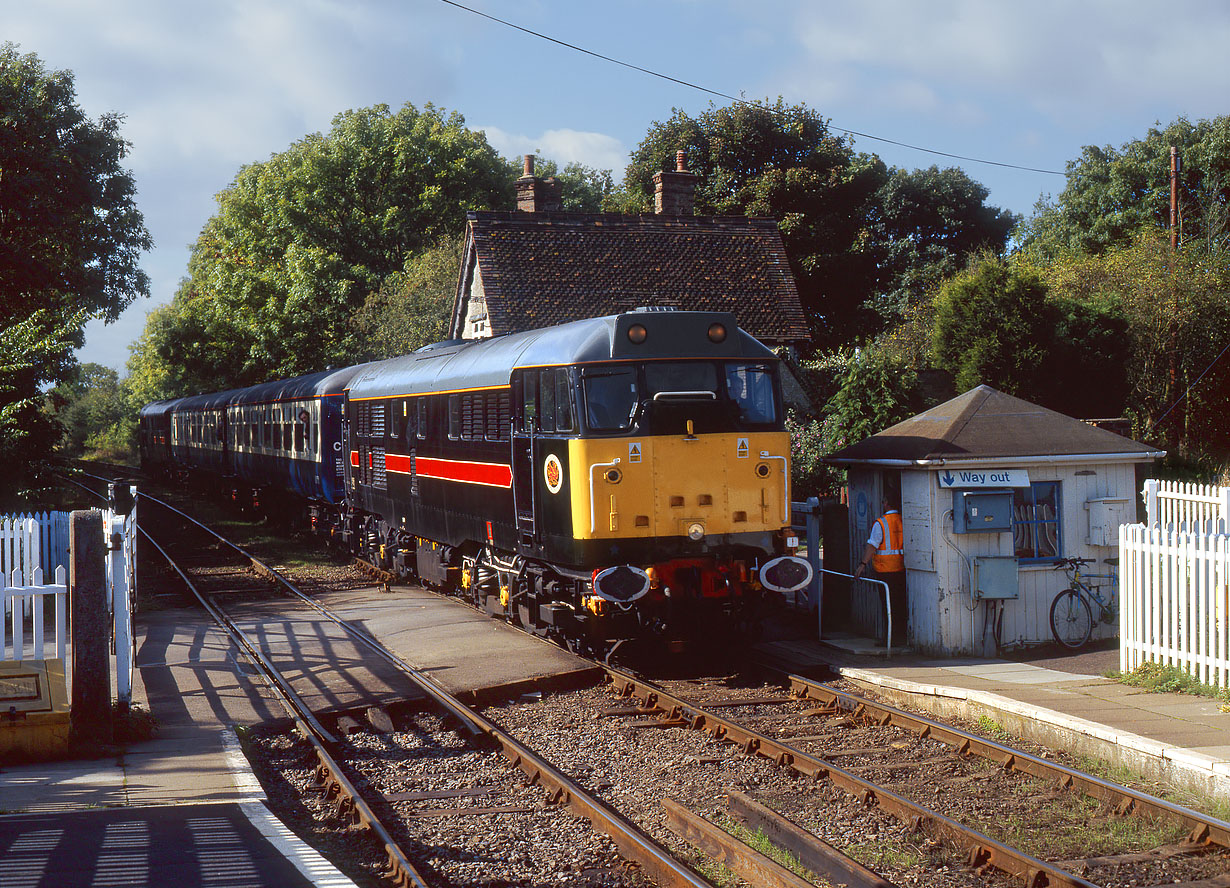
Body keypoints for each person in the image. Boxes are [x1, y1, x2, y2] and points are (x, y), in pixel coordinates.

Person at [854, 498, 907, 646]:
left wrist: (862, 564)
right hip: (902, 569)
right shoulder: (904, 519)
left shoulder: (881, 523)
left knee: (888, 606)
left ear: (886, 503)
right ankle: (901, 636)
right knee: (900, 604)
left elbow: (872, 546)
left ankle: (890, 639)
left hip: (885, 570)